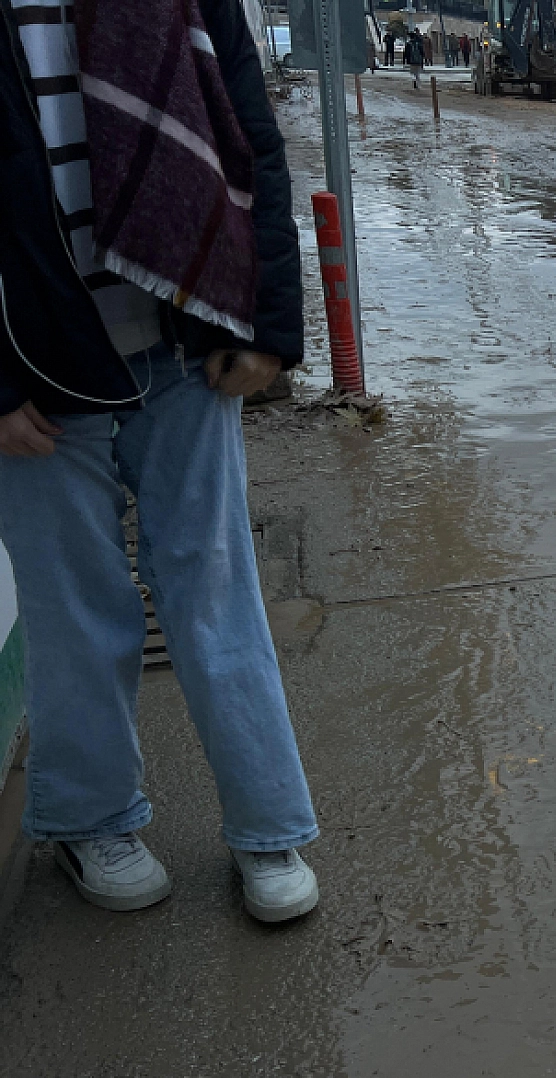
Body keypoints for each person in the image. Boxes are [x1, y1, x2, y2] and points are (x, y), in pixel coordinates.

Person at [0, 0, 319, 922]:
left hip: (184, 351)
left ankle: (269, 832)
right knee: (74, 614)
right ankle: (91, 820)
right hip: (35, 367)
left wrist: (269, 328)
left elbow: (250, 140)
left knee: (215, 591)